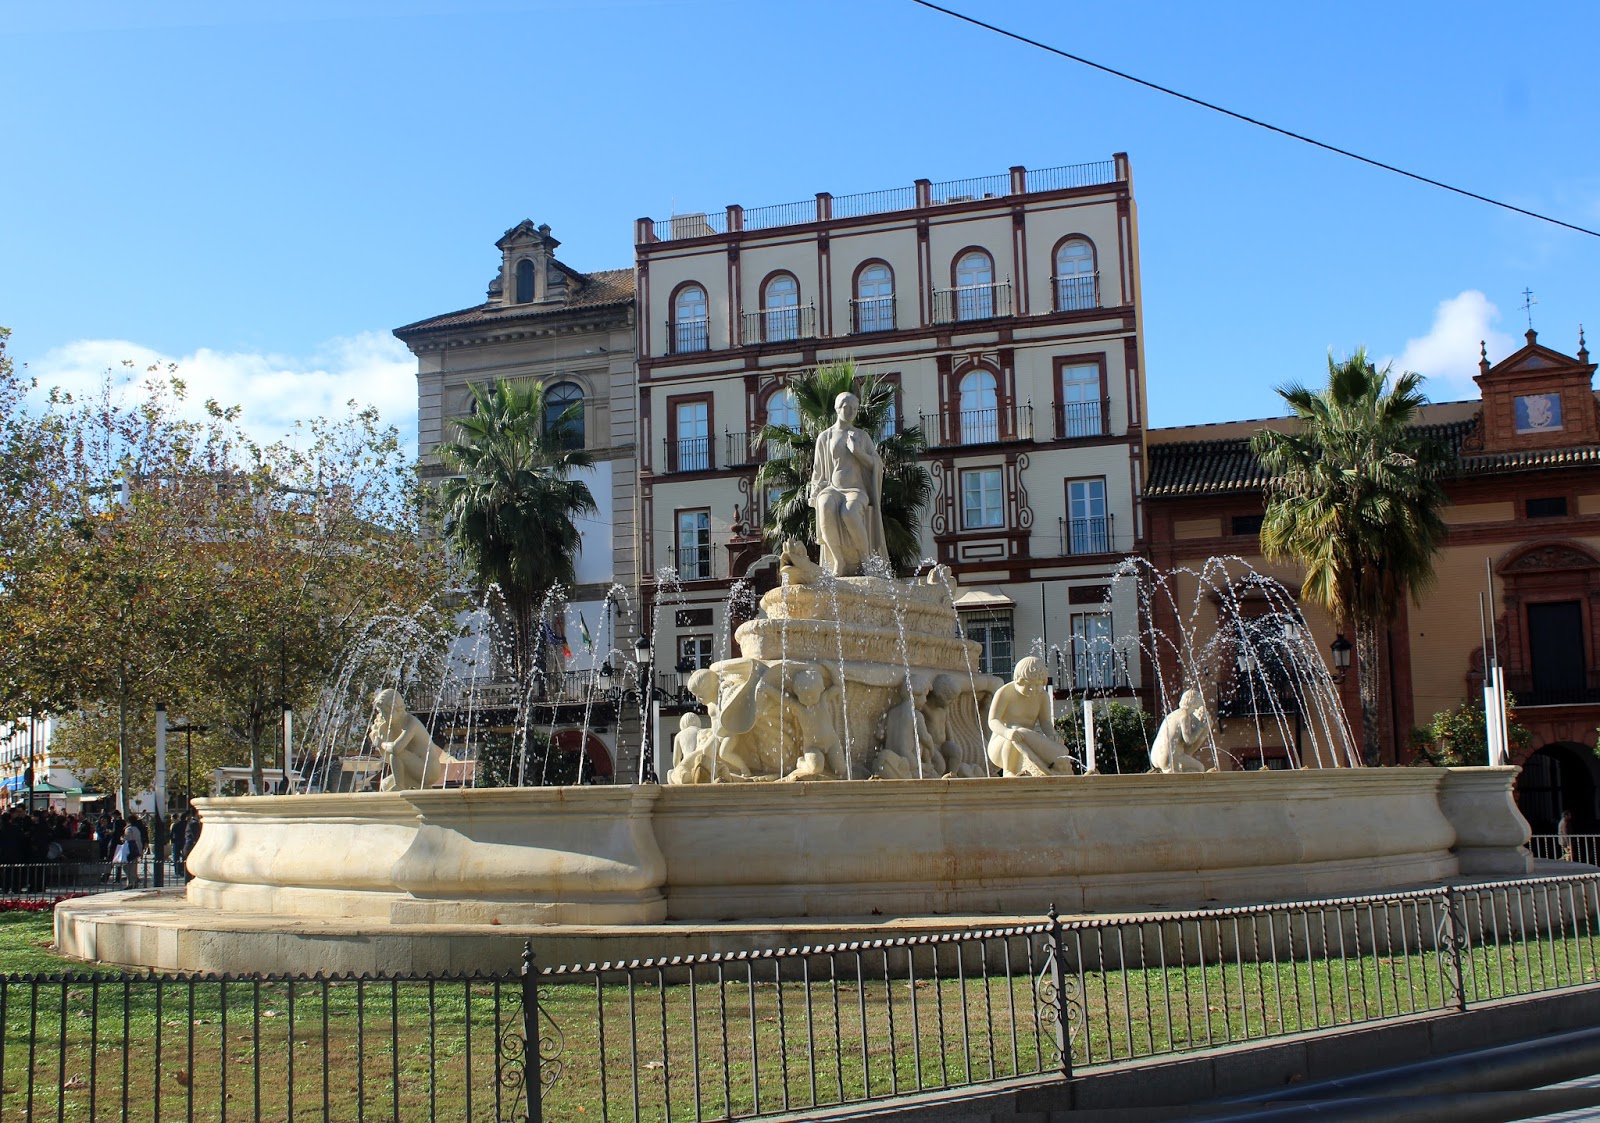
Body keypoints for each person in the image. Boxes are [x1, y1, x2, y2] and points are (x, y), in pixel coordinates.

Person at [809, 391, 888, 577]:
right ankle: (838, 560)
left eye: (854, 408)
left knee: (850, 512)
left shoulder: (861, 436)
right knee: (825, 505)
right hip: (833, 489)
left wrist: (858, 452)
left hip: (856, 490)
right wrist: (815, 489)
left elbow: (877, 465)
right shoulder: (825, 437)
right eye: (847, 407)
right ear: (837, 409)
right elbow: (818, 470)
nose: (851, 411)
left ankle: (865, 559)